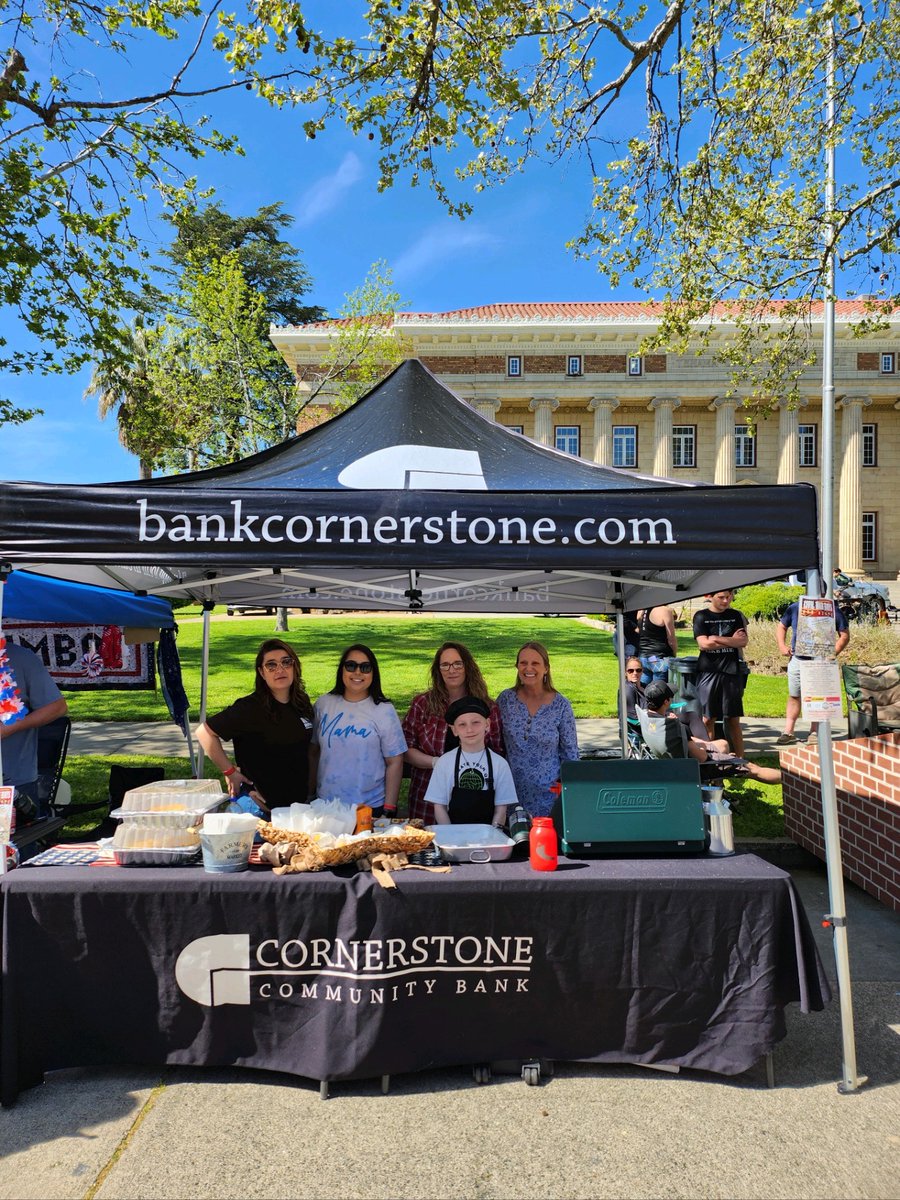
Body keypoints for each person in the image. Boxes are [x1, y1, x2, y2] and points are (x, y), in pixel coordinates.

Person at [197, 639, 314, 813]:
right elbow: (204, 733)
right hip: (257, 810)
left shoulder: (301, 703)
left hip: (297, 808)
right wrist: (230, 772)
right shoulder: (250, 707)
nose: (280, 669)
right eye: (271, 665)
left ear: (295, 666)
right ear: (261, 672)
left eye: (286, 662)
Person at [402, 641, 505, 824]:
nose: (452, 670)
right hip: (426, 798)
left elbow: (497, 753)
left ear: (467, 666)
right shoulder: (422, 704)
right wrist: (436, 763)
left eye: (458, 664)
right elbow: (404, 749)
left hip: (475, 802)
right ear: (438, 670)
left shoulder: (487, 708)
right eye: (445, 665)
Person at [312, 644, 406, 817]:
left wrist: (389, 808)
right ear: (341, 670)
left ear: (373, 673)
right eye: (351, 666)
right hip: (325, 806)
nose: (357, 672)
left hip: (369, 808)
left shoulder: (384, 710)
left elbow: (395, 761)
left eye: (365, 667)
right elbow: (314, 751)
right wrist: (310, 793)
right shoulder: (323, 704)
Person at [497, 641, 579, 818]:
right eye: (523, 663)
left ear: (546, 668)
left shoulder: (561, 705)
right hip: (510, 795)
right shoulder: (505, 700)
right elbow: (496, 744)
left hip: (549, 799)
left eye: (535, 663)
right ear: (517, 666)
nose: (529, 668)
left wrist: (566, 790)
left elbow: (571, 755)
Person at [643, 681, 781, 783]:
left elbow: (686, 744)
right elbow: (702, 758)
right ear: (666, 702)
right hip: (699, 768)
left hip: (675, 765)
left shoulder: (648, 720)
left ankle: (717, 791)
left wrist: (707, 746)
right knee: (753, 769)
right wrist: (721, 757)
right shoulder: (677, 727)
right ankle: (790, 778)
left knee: (722, 744)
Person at [0, 639, 69, 821]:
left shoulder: (20, 657)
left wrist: (10, 727)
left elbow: (57, 707)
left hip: (13, 781)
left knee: (18, 838)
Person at [425, 697, 517, 827]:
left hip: (489, 835)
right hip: (452, 834)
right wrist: (450, 834)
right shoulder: (445, 762)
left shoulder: (500, 764)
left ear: (487, 724)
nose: (470, 729)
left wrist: (492, 835)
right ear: (454, 730)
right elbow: (439, 806)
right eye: (462, 724)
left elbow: (501, 810)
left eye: (475, 722)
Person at [776, 599, 850, 745]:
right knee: (794, 695)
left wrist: (833, 653)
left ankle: (814, 731)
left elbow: (845, 635)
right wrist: (782, 646)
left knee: (817, 696)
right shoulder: (796, 607)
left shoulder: (832, 609)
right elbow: (782, 626)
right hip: (798, 659)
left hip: (820, 661)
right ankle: (788, 732)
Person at [692, 589, 749, 757]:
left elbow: (743, 641)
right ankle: (710, 758)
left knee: (733, 719)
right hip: (708, 672)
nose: (726, 601)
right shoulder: (701, 616)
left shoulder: (735, 615)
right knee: (708, 718)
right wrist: (732, 641)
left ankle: (741, 760)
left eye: (728, 597)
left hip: (731, 672)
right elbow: (703, 644)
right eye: (721, 597)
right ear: (710, 597)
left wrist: (715, 638)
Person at [638, 605, 678, 684]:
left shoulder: (641, 610)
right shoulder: (665, 610)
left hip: (643, 657)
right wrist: (674, 654)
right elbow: (671, 639)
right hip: (658, 658)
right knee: (659, 690)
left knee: (643, 689)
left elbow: (639, 630)